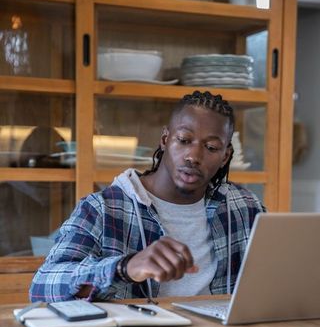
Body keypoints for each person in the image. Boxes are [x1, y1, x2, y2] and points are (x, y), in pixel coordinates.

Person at [30, 90, 265, 303]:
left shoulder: (245, 208)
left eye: (211, 148)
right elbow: (42, 286)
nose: (194, 156)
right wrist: (125, 267)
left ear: (225, 156)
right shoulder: (103, 208)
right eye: (183, 141)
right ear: (165, 140)